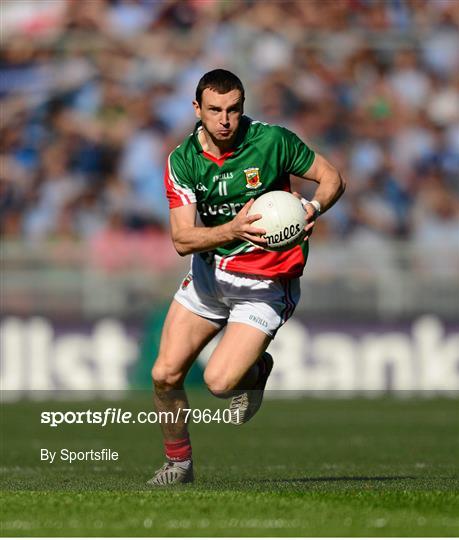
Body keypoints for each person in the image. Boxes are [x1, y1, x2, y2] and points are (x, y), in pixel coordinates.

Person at [147, 69, 345, 486]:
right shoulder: (183, 160)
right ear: (197, 109)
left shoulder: (273, 141)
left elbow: (332, 179)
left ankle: (256, 372)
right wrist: (231, 230)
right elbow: (182, 239)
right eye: (215, 110)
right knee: (164, 374)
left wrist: (313, 208)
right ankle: (178, 465)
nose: (224, 120)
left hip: (264, 286)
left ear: (243, 108)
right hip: (208, 278)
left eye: (233, 110)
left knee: (219, 383)